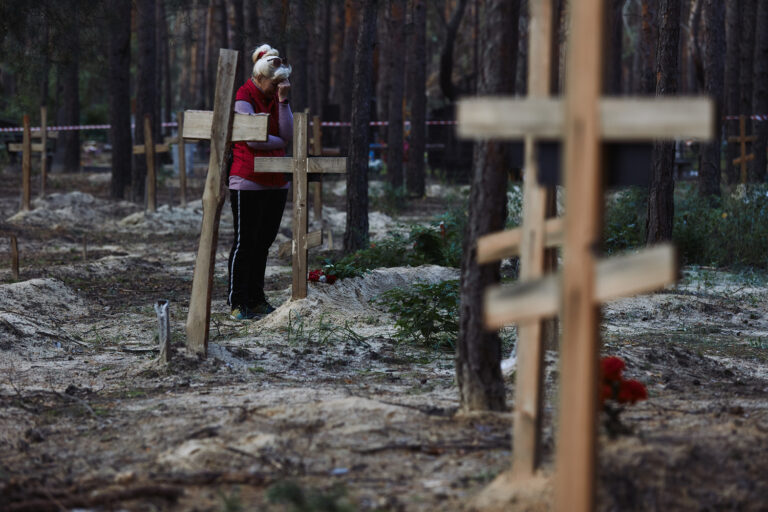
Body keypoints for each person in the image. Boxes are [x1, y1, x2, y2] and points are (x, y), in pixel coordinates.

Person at [227, 44, 293, 320]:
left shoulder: (279, 97)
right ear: (260, 77)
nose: (277, 87)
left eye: (281, 82)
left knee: (263, 243)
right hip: (248, 179)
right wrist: (274, 140)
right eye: (274, 82)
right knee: (246, 242)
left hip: (276, 180)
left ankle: (256, 298)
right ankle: (237, 300)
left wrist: (283, 102)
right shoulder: (244, 95)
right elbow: (252, 138)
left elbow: (288, 135)